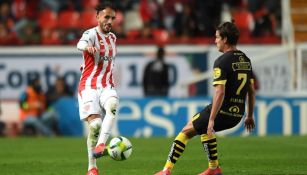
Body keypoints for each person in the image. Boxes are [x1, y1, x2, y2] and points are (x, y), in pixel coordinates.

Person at [155, 21, 256, 175]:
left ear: (225, 39)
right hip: (237, 115)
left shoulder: (221, 61)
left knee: (186, 131)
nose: (215, 41)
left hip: (222, 111)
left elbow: (220, 92)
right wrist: (249, 115)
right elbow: (251, 90)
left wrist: (212, 118)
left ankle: (166, 170)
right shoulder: (246, 60)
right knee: (204, 131)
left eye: (217, 38)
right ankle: (214, 169)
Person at [76, 2, 119, 175]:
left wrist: (86, 63)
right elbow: (80, 44)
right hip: (89, 87)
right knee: (95, 125)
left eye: (112, 18)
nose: (109, 21)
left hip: (107, 85)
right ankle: (92, 167)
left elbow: (106, 62)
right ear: (98, 17)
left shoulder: (113, 38)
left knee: (113, 106)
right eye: (106, 17)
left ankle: (102, 144)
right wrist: (86, 48)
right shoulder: (91, 34)